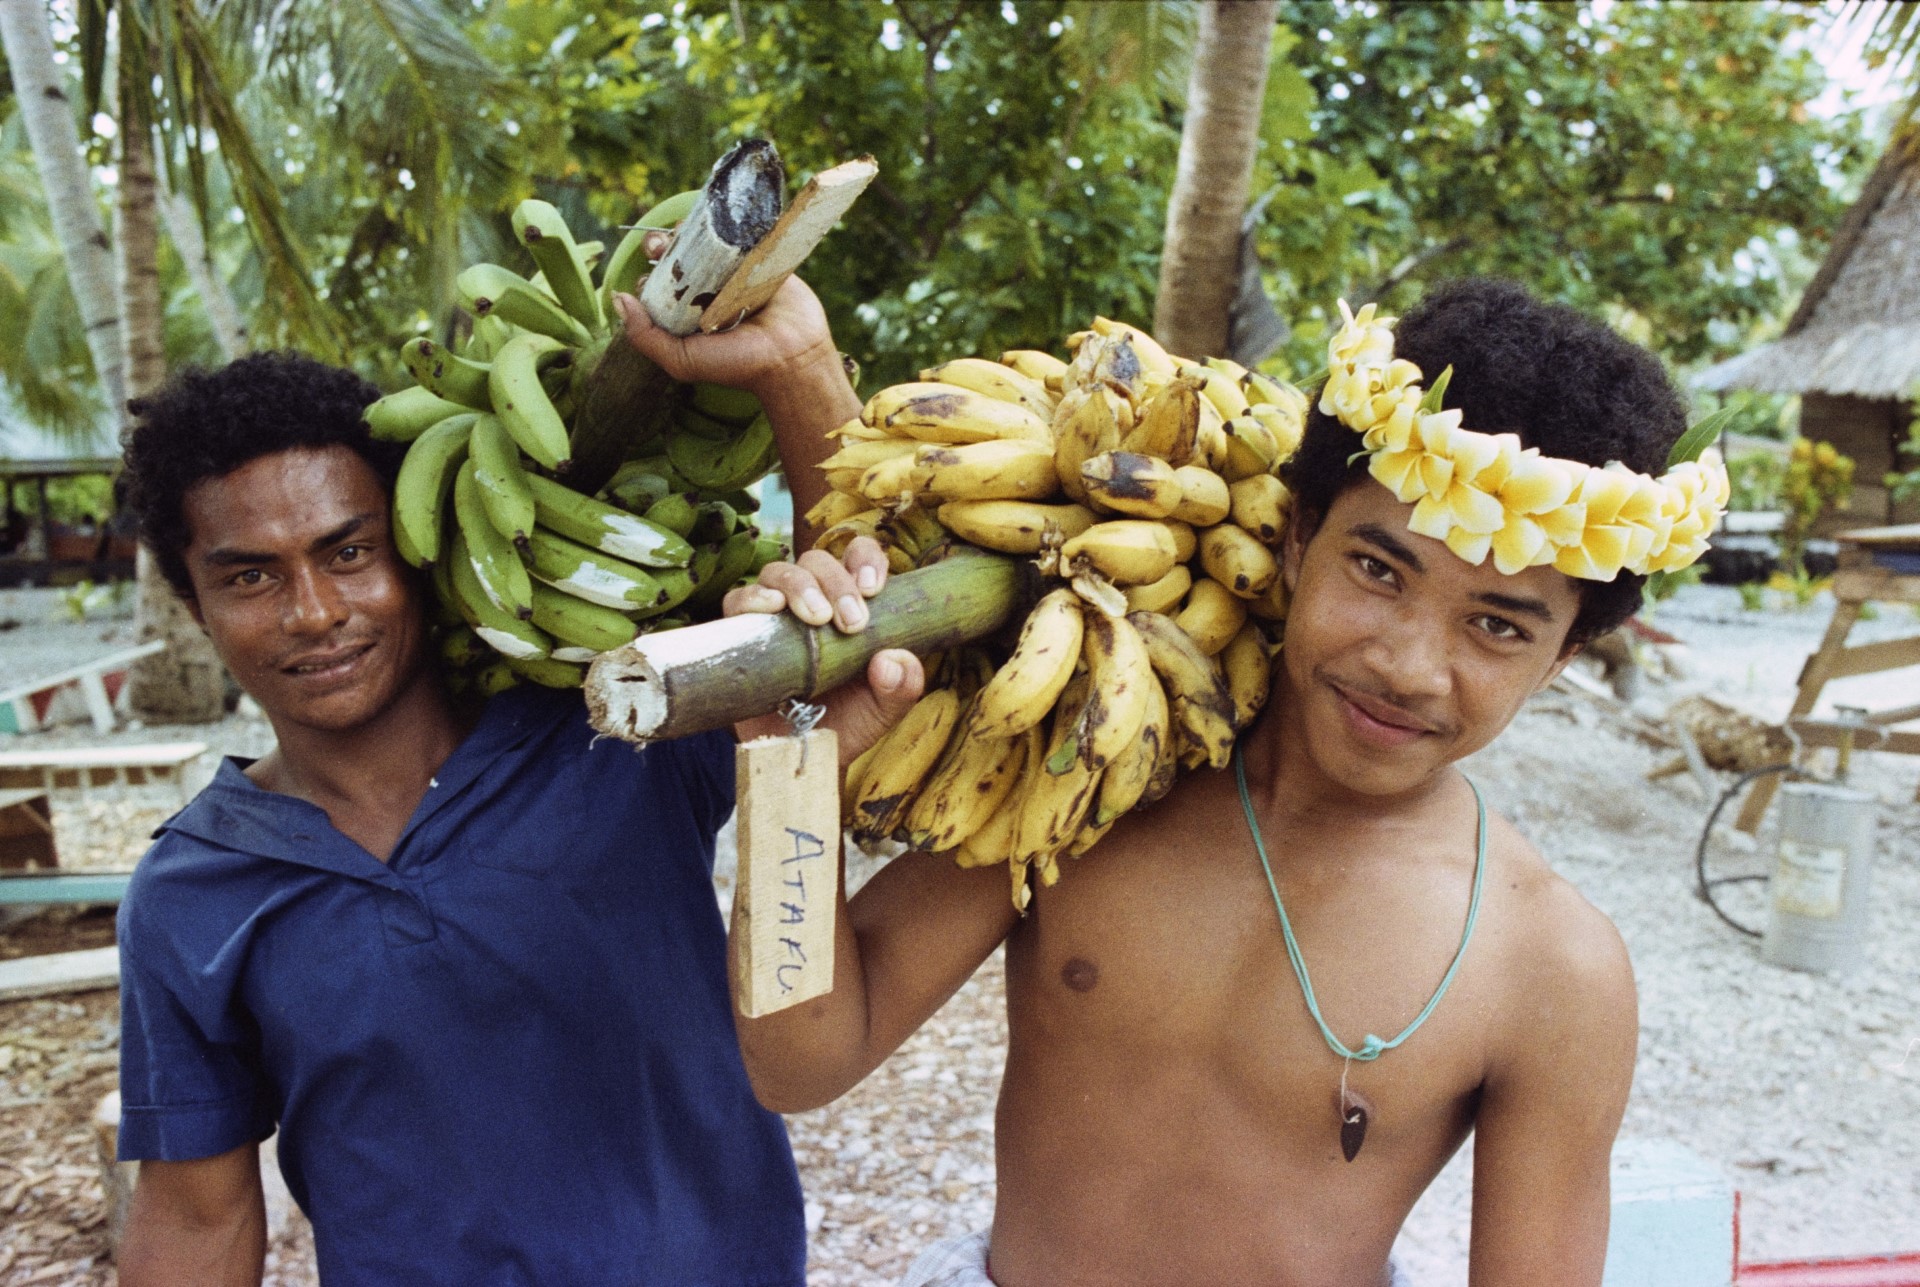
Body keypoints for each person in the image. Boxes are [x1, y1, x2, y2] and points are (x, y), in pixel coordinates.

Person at [723, 278, 1730, 1286]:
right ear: (1297, 540)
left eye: (1499, 625)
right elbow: (802, 1060)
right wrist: (785, 770)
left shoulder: (1551, 965)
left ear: (1559, 661)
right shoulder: (1095, 770)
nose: (1411, 666)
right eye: (1380, 571)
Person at [110, 276, 922, 1286]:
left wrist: (798, 371)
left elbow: (860, 626)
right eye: (249, 576)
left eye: (348, 552)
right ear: (194, 606)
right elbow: (194, 1220)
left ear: (415, 546)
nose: (313, 612)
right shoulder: (193, 895)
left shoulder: (617, 721)